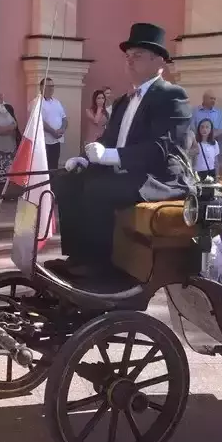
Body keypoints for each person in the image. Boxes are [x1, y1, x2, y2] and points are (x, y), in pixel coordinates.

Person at [51, 22, 195, 275]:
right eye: (127, 56)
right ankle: (78, 257)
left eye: (137, 55)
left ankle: (100, 266)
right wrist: (85, 159)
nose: (129, 61)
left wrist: (110, 156)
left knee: (100, 188)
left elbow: (162, 148)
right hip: (127, 174)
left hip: (159, 178)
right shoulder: (124, 100)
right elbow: (107, 139)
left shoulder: (172, 96)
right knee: (67, 180)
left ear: (158, 60)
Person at [32, 78, 67, 169]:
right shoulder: (37, 102)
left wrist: (62, 129)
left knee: (54, 165)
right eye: (48, 86)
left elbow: (64, 118)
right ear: (41, 87)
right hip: (44, 141)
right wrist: (52, 132)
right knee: (44, 167)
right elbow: (39, 121)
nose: (51, 88)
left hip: (56, 141)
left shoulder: (56, 102)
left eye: (52, 86)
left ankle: (53, 183)